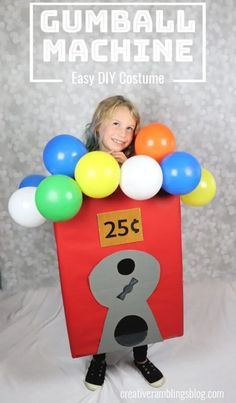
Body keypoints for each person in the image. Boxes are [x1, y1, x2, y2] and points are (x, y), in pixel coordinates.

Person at [83, 95, 165, 391]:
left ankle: (141, 357)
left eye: (129, 127)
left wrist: (128, 168)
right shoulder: (84, 163)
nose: (122, 132)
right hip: (98, 245)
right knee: (101, 297)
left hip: (134, 241)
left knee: (139, 293)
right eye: (116, 123)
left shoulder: (138, 163)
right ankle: (99, 357)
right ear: (98, 126)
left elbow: (145, 194)